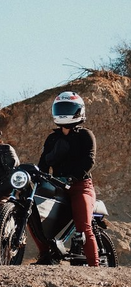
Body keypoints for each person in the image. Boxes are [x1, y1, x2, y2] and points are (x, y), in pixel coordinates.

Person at [34, 91, 99, 266]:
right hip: (56, 187)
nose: (63, 112)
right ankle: (45, 257)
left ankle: (96, 268)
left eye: (68, 108)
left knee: (84, 227)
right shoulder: (52, 138)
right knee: (34, 219)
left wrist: (72, 178)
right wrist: (40, 177)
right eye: (60, 108)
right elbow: (42, 163)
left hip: (80, 186)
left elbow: (89, 160)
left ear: (79, 111)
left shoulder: (86, 135)